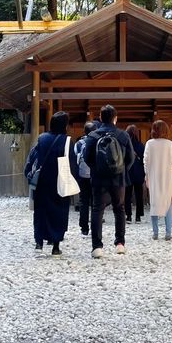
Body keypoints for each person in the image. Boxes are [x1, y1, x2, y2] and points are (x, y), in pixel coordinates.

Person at [83, 104, 135, 258]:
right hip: (118, 179)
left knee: (97, 210)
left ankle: (97, 247)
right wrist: (122, 170)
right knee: (120, 209)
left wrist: (96, 169)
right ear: (115, 118)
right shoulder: (123, 135)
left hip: (99, 179)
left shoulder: (93, 136)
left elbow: (87, 158)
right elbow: (131, 158)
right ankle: (120, 243)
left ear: (100, 117)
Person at [24, 111, 78, 256]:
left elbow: (33, 158)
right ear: (64, 125)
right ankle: (55, 245)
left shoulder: (42, 138)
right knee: (59, 212)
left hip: (42, 181)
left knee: (41, 211)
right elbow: (72, 164)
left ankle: (39, 243)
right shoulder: (67, 141)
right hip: (59, 181)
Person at [144, 120, 172, 240]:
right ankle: (168, 233)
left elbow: (146, 161)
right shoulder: (169, 144)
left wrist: (146, 175)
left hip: (153, 176)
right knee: (168, 202)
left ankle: (155, 233)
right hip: (167, 176)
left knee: (154, 203)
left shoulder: (149, 143)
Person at [74, 120, 97, 236]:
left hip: (82, 174)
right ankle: (95, 225)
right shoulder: (97, 142)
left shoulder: (78, 143)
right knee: (95, 202)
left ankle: (84, 227)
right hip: (94, 174)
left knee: (83, 201)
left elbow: (75, 158)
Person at [124, 124, 145, 224]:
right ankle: (138, 217)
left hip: (128, 172)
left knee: (127, 195)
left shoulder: (125, 145)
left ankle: (128, 216)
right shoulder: (141, 145)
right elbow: (144, 160)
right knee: (139, 194)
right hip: (139, 172)